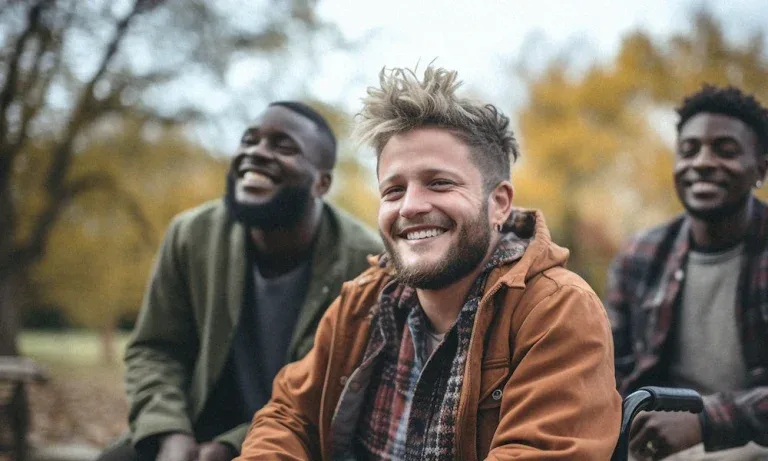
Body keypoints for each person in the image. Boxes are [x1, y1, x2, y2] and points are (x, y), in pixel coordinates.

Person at [236, 66, 621, 461]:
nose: (411, 207)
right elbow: (287, 418)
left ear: (499, 203)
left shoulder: (557, 311)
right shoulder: (363, 303)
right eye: (394, 189)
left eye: (439, 183)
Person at [97, 101, 383, 461]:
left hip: (296, 441)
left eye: (283, 146)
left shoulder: (365, 262)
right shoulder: (190, 234)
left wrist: (233, 445)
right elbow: (156, 349)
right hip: (190, 429)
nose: (256, 153)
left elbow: (331, 392)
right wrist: (168, 432)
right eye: (249, 140)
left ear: (322, 183)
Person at [607, 85, 768, 460]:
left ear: (760, 168)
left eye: (725, 151)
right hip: (657, 448)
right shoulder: (640, 255)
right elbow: (609, 370)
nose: (703, 162)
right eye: (689, 150)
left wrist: (706, 420)